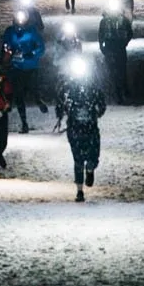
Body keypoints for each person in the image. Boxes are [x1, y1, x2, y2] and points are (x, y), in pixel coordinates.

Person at [55, 54, 107, 201]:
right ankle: (79, 191)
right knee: (77, 159)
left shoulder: (93, 88)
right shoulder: (68, 89)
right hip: (74, 128)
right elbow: (60, 103)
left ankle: (90, 169)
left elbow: (102, 103)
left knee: (93, 156)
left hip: (90, 128)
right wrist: (61, 113)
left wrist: (97, 112)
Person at [0, 9, 47, 132]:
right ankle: (24, 122)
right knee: (18, 95)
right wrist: (7, 53)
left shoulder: (32, 31)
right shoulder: (10, 32)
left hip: (31, 66)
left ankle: (38, 99)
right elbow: (5, 45)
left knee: (33, 88)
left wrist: (32, 53)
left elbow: (41, 47)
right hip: (16, 67)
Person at [98, 0, 133, 102]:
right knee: (113, 70)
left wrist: (124, 43)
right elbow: (100, 35)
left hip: (119, 47)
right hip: (110, 47)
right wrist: (102, 48)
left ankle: (124, 89)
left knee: (121, 69)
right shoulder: (104, 21)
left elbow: (130, 33)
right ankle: (118, 92)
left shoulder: (123, 20)